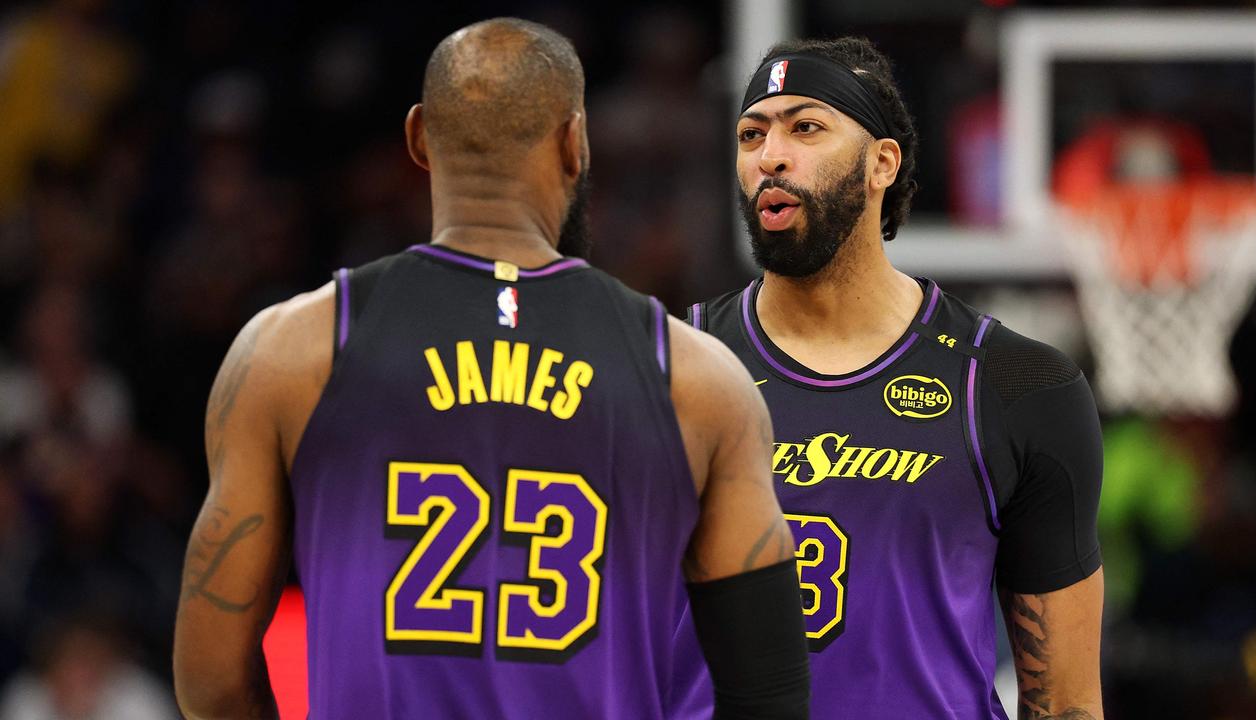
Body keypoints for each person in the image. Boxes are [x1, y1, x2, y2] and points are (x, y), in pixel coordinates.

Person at [172, 18, 810, 720]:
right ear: (576, 144)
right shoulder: (697, 379)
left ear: (418, 138)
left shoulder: (291, 349)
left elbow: (213, 680)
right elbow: (769, 695)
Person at [678, 37, 1105, 719]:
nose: (770, 156)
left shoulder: (1014, 386)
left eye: (805, 127)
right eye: (751, 134)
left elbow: (1067, 705)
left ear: (882, 163)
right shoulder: (671, 365)